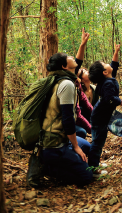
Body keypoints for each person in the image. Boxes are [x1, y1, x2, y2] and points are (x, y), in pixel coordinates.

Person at [40, 29, 93, 186]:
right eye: (68, 57)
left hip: (61, 139)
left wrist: (83, 44)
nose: (72, 57)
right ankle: (48, 169)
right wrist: (75, 147)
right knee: (86, 177)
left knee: (88, 147)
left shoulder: (61, 77)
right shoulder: (67, 84)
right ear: (64, 66)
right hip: (55, 144)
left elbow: (78, 61)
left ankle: (67, 160)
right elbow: (68, 119)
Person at [88, 43, 122, 174]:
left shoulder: (108, 78)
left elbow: (114, 65)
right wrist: (120, 101)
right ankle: (93, 169)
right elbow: (108, 98)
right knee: (98, 141)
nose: (108, 63)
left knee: (99, 140)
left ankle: (95, 163)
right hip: (99, 118)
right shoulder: (108, 83)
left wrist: (116, 51)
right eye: (105, 64)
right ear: (105, 72)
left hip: (100, 116)